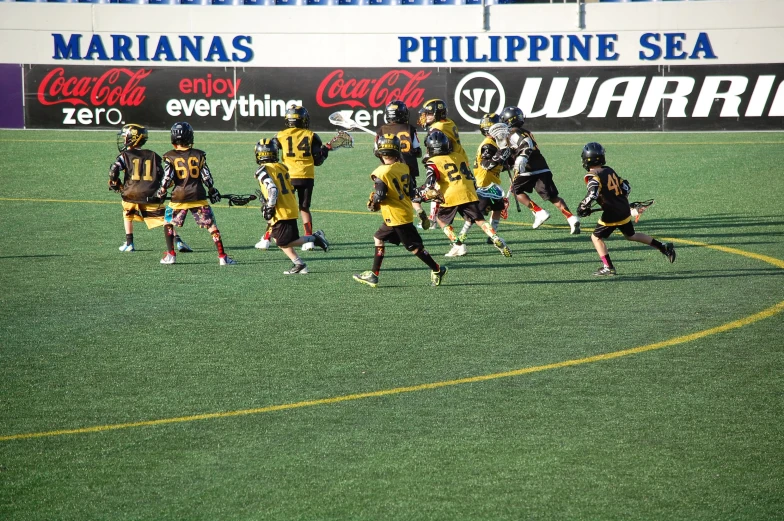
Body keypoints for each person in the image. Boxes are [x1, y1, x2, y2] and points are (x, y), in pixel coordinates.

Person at [353, 134, 447, 288]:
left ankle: (437, 269)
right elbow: (411, 192)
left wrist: (374, 202)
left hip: (396, 216)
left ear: (379, 152)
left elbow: (381, 195)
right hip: (402, 212)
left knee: (415, 248)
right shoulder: (404, 167)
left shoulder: (380, 172)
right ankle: (374, 274)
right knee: (378, 237)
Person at [576, 142, 676, 276]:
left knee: (596, 237)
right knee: (631, 235)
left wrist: (583, 206)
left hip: (612, 213)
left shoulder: (592, 176)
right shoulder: (609, 170)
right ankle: (663, 247)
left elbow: (593, 194)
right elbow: (626, 187)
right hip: (623, 209)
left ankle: (608, 267)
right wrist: (619, 201)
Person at [155, 121, 236, 266]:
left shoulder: (170, 156)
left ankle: (171, 255)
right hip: (198, 195)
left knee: (168, 222)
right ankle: (222, 256)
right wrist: (212, 190)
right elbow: (206, 177)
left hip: (178, 197)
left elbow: (167, 177)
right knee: (211, 226)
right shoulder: (199, 155)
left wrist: (161, 191)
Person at [421, 131, 511, 258]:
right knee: (479, 219)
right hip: (469, 191)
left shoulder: (432, 161)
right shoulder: (459, 156)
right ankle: (495, 237)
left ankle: (457, 245)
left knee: (441, 220)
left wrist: (423, 193)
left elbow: (429, 183)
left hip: (450, 194)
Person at [256, 105, 330, 251]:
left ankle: (266, 239)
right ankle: (308, 239)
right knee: (304, 208)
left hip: (287, 175)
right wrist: (325, 151)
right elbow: (318, 160)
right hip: (306, 176)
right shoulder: (311, 136)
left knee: (278, 208)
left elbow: (271, 152)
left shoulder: (281, 135)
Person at [109, 123, 191, 254]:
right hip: (150, 194)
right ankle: (178, 241)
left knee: (127, 215)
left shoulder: (125, 155)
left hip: (130, 194)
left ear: (132, 138)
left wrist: (114, 182)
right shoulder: (153, 155)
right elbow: (163, 176)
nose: (123, 139)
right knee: (165, 219)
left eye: (125, 136)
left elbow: (114, 170)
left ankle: (129, 242)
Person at [500, 106, 581, 235]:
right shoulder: (525, 131)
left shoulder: (513, 133)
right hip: (542, 167)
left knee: (516, 191)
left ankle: (538, 211)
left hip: (527, 169)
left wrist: (521, 158)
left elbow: (526, 144)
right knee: (553, 197)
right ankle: (571, 218)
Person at [254, 138, 329, 275]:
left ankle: (315, 238)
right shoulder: (282, 167)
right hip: (289, 206)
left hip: (281, 209)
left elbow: (272, 189)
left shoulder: (262, 171)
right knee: (279, 239)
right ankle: (299, 264)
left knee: (283, 242)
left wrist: (269, 206)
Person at [375, 99, 430, 230]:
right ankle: (418, 210)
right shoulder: (409, 128)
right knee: (411, 192)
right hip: (408, 167)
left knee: (392, 193)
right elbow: (417, 151)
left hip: (390, 168)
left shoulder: (382, 130)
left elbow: (376, 151)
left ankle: (396, 220)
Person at [456, 113, 510, 247]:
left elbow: (497, 165)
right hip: (484, 185)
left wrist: (507, 158)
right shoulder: (489, 145)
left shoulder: (495, 143)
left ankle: (492, 234)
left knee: (497, 209)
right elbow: (487, 165)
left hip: (493, 184)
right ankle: (460, 240)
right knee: (474, 215)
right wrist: (501, 156)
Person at [417, 98, 471, 226]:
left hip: (448, 162)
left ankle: (433, 220)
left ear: (437, 114)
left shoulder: (437, 128)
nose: (425, 117)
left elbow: (441, 147)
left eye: (428, 114)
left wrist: (429, 157)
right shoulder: (448, 122)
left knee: (436, 188)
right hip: (460, 160)